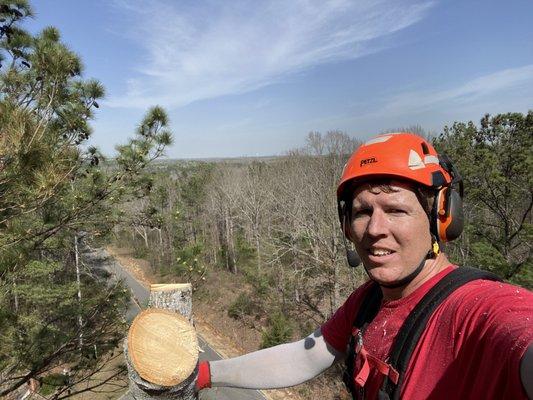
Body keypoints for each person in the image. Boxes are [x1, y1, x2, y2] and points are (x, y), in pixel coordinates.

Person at [195, 133, 533, 399]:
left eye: (396, 210)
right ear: (347, 226)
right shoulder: (369, 302)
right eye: (362, 212)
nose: (374, 229)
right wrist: (206, 375)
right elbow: (308, 355)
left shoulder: (479, 309)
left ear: (440, 218)